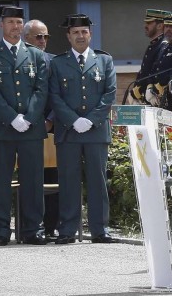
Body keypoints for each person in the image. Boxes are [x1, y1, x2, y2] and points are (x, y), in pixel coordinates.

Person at [0, 5, 49, 246]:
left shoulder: (36, 54)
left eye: (19, 22)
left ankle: (33, 229)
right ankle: (0, 229)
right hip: (1, 127)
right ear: (2, 25)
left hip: (31, 127)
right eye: (10, 22)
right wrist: (12, 117)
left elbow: (42, 89)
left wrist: (28, 117)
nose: (15, 27)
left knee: (32, 179)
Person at [48, 14, 116, 244]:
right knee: (68, 180)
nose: (80, 36)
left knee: (97, 180)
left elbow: (109, 94)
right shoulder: (57, 63)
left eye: (84, 31)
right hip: (69, 131)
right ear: (68, 36)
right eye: (75, 32)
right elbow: (54, 96)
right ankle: (67, 229)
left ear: (90, 34)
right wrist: (73, 120)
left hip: (96, 131)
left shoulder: (104, 61)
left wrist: (92, 119)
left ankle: (100, 229)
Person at [24, 18, 59, 240]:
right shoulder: (18, 60)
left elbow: (59, 95)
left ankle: (51, 225)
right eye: (38, 36)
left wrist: (51, 120)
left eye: (46, 36)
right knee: (30, 178)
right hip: (25, 126)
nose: (43, 41)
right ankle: (30, 226)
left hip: (50, 127)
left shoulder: (54, 62)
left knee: (53, 177)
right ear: (25, 38)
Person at [131, 9, 166, 105]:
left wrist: (150, 89)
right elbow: (144, 70)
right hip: (144, 97)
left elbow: (156, 72)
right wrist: (135, 89)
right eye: (145, 23)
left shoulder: (163, 45)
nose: (145, 26)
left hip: (155, 97)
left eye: (149, 23)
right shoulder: (154, 45)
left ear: (160, 26)